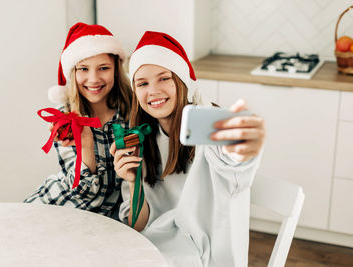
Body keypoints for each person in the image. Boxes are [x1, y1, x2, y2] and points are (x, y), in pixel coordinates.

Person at [110, 31, 265, 266]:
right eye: (142, 83)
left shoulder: (207, 126)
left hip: (210, 252)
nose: (153, 91)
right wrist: (133, 181)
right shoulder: (141, 140)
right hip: (156, 246)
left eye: (164, 78)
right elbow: (138, 226)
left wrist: (237, 138)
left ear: (181, 81)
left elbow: (237, 163)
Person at [24, 23, 132, 219]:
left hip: (104, 219)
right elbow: (84, 193)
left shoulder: (130, 117)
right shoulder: (64, 118)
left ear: (116, 69)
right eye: (83, 69)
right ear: (73, 73)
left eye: (103, 68)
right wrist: (87, 146)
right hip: (62, 206)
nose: (93, 79)